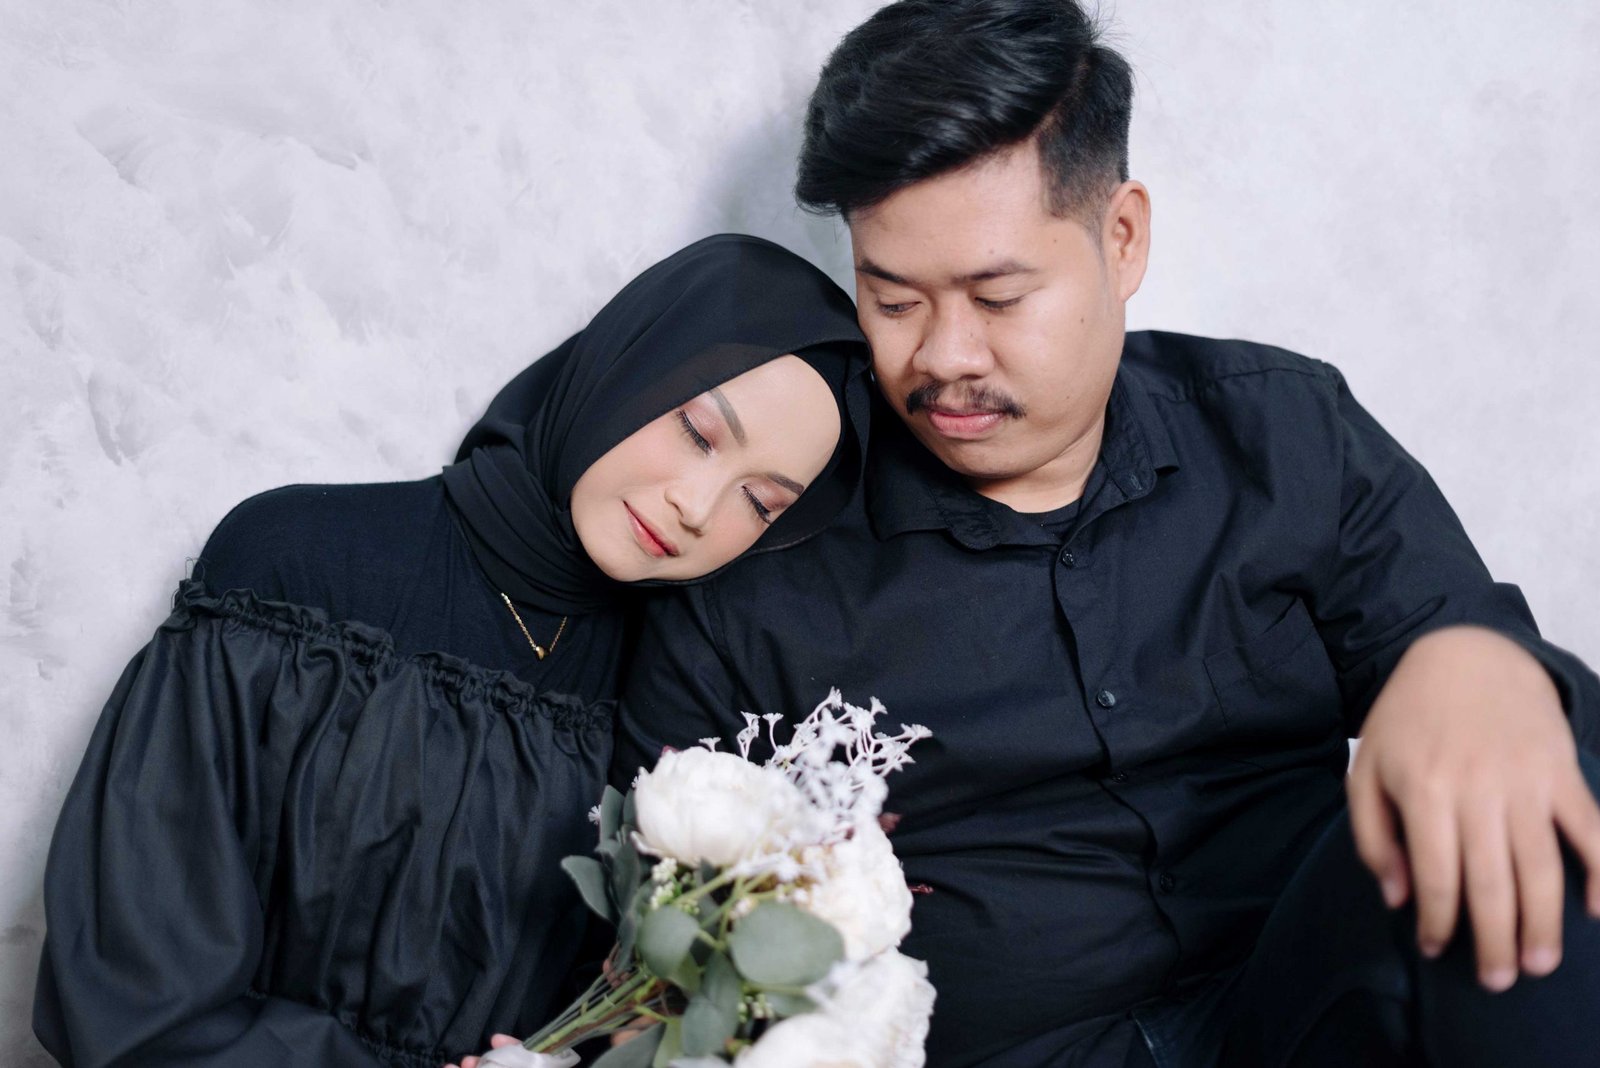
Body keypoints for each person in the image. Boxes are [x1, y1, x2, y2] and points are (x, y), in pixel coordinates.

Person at [613, 4, 1600, 1067]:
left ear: (1120, 238)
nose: (944, 357)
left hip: (1308, 1014)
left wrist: (1474, 666)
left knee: (1529, 805)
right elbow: (660, 959)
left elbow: (1500, 699)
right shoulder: (766, 551)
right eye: (891, 301)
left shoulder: (1280, 432)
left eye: (998, 297)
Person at [31, 233, 873, 1068]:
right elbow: (130, 998)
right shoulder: (297, 566)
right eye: (697, 430)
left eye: (759, 503)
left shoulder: (676, 697)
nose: (698, 506)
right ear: (625, 367)